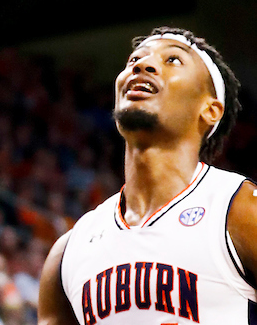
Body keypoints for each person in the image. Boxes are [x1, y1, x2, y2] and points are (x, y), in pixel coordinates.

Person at [38, 26, 257, 323]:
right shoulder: (68, 251)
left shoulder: (240, 210)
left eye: (173, 60)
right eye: (133, 61)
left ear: (210, 110)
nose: (142, 65)